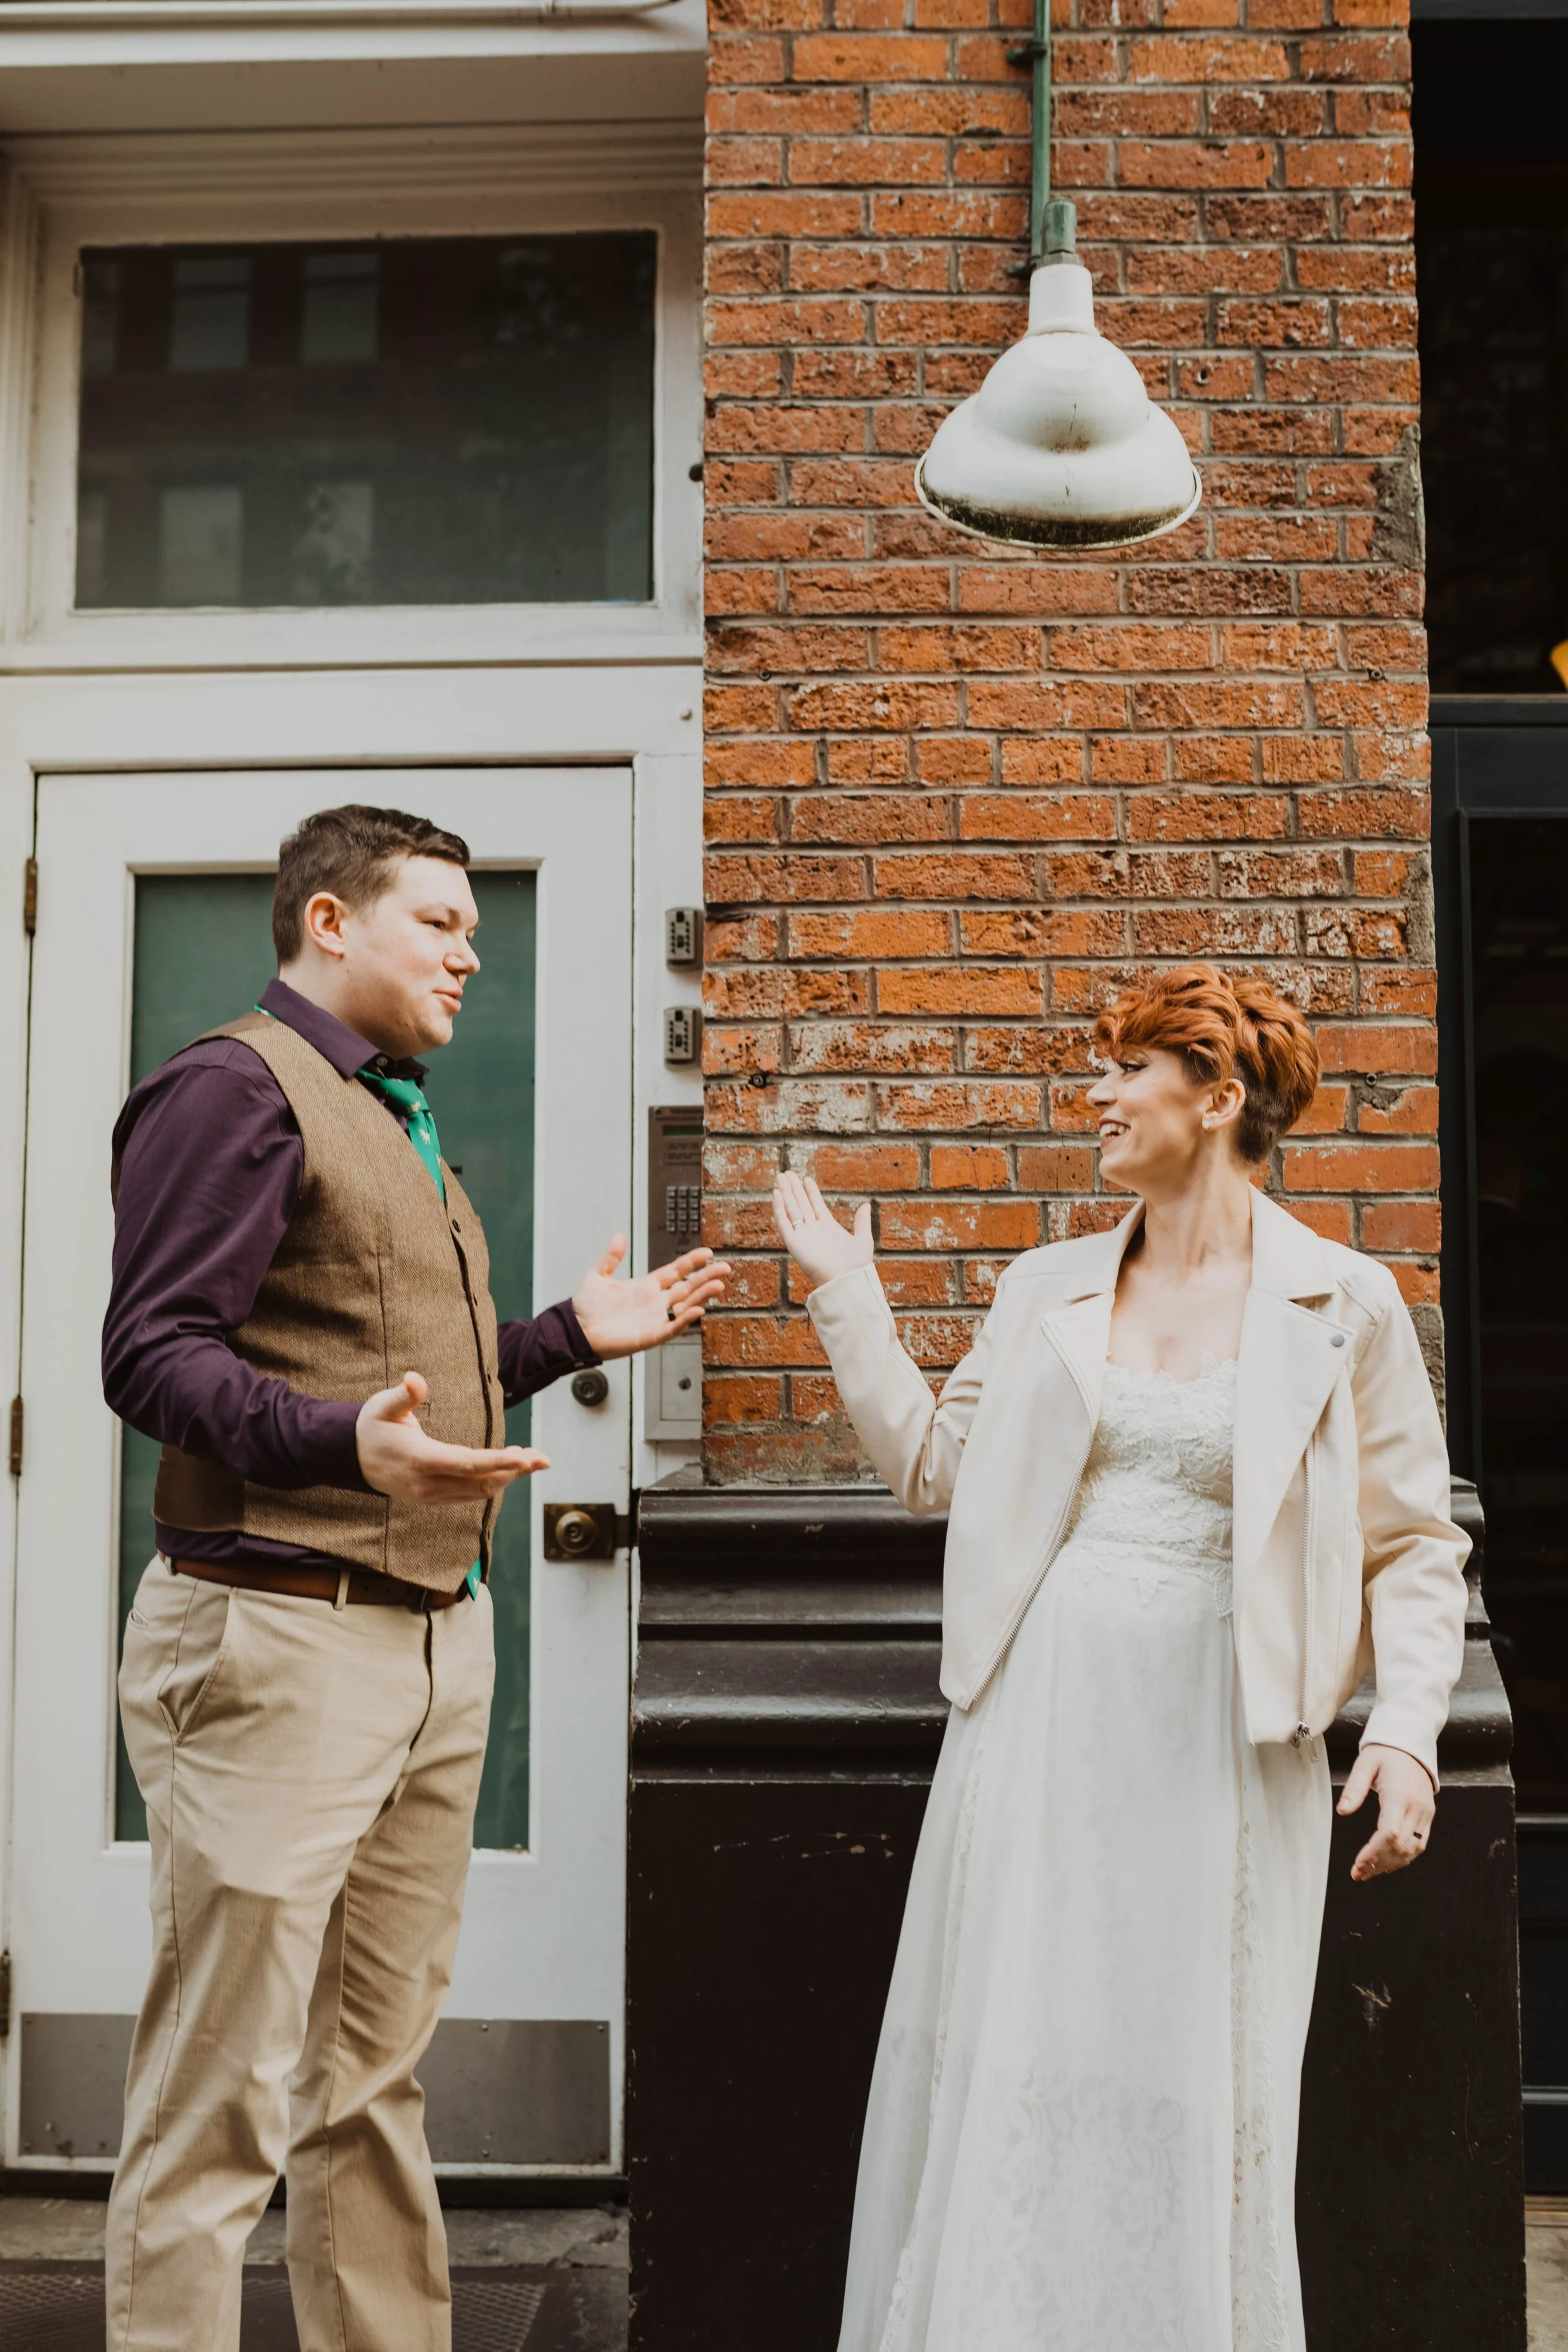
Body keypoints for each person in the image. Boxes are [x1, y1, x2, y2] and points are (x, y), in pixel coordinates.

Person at [101, 803, 727, 2352]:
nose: (469, 952)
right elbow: (149, 1355)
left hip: (435, 1650)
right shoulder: (233, 1089)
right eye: (438, 922)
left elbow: (395, 1381)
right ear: (328, 921)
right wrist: (338, 1448)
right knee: (220, 2096)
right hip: (274, 1640)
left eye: (472, 926)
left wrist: (567, 1339)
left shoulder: (395, 1115)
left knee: (368, 2081)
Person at [772, 962, 1469, 2352]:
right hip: (1037, 1724)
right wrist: (849, 1300)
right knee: (1021, 2056)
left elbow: (1412, 1544)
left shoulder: (1345, 1302)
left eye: (1121, 1072)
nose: (1092, 1096)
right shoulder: (1046, 1286)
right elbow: (933, 1472)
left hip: (1226, 1739)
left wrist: (1403, 1731)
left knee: (1200, 2075)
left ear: (1215, 1098)